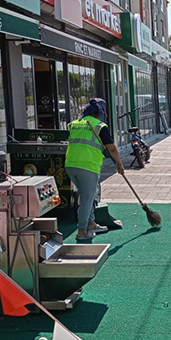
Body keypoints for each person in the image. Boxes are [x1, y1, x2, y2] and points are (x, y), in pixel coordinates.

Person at [65, 98, 125, 241]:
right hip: (87, 166)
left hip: (70, 165)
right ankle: (82, 231)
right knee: (86, 198)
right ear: (101, 111)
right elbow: (112, 148)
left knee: (88, 196)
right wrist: (119, 165)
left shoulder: (74, 124)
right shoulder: (100, 126)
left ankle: (91, 224)